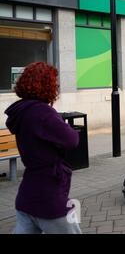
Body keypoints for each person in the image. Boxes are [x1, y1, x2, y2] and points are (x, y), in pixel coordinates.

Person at [4, 62, 81, 234]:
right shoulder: (42, 112)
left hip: (27, 195)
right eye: (55, 83)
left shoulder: (22, 110)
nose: (57, 86)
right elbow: (72, 139)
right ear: (46, 85)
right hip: (49, 196)